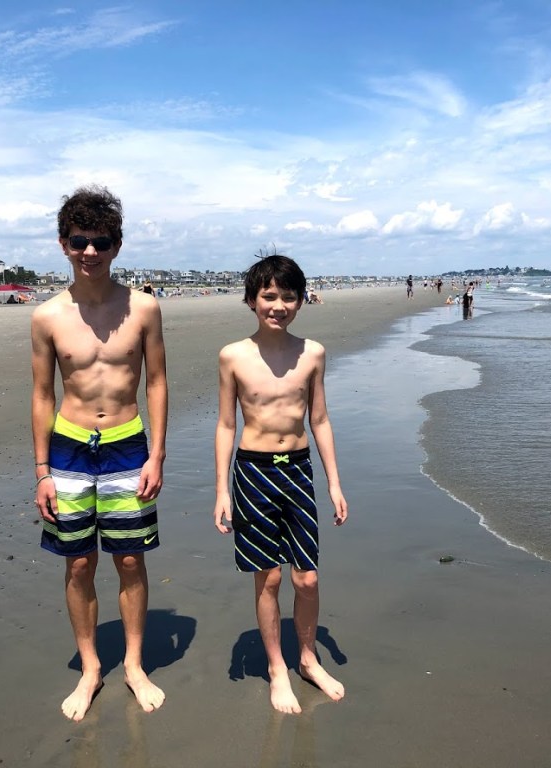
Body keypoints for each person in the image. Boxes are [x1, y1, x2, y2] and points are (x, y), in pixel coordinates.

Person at [31, 185, 168, 722]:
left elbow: (156, 382)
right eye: (79, 240)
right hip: (68, 449)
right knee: (79, 562)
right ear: (63, 244)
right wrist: (42, 471)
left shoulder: (144, 308)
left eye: (101, 241)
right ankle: (90, 668)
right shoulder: (47, 317)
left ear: (117, 245)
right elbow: (43, 395)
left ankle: (133, 664)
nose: (90, 251)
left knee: (130, 558)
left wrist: (157, 454)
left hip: (127, 445)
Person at [214, 254, 349, 714]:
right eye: (268, 296)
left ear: (301, 301)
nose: (278, 305)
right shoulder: (233, 356)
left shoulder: (313, 353)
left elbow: (320, 419)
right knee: (268, 577)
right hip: (253, 472)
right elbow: (226, 425)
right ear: (251, 300)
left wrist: (334, 483)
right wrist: (222, 490)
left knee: (306, 578)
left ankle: (308, 659)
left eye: (288, 297)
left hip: (297, 470)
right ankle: (277, 668)